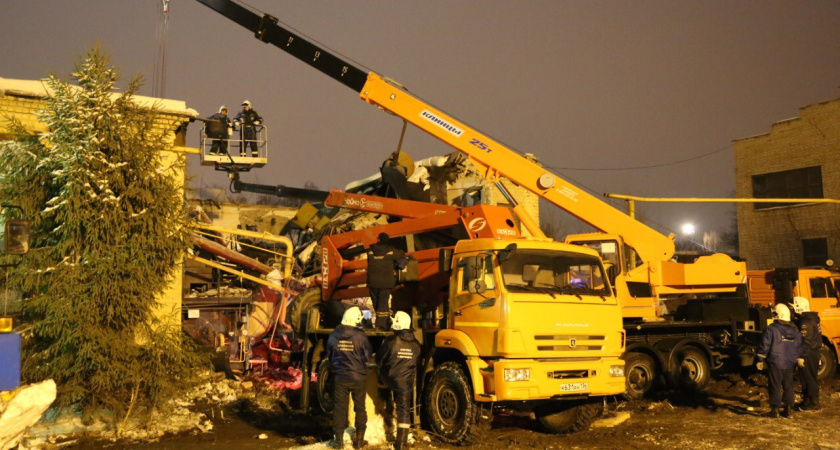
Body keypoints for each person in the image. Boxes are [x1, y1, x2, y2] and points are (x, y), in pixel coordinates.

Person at [327, 306, 372, 449]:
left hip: (340, 377)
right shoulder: (361, 336)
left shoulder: (333, 335)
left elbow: (329, 355)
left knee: (339, 408)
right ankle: (359, 441)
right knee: (360, 408)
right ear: (356, 320)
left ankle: (338, 441)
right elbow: (367, 356)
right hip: (358, 377)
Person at [376, 311, 421, 449]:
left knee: (381, 381)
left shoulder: (391, 341)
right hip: (405, 383)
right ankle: (401, 443)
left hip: (388, 379)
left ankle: (387, 403)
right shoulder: (416, 345)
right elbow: (416, 362)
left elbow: (379, 359)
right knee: (404, 409)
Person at [756, 303, 803, 418]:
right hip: (789, 363)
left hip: (775, 362)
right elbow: (798, 346)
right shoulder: (795, 330)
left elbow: (765, 345)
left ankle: (775, 410)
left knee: (775, 385)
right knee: (788, 386)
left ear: (778, 315)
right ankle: (788, 410)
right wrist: (798, 358)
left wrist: (760, 359)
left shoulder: (771, 329)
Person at [366, 233, 409, 330]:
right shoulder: (392, 251)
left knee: (376, 303)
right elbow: (403, 260)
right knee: (383, 303)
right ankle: (381, 325)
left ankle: (383, 321)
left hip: (372, 282)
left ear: (378, 239)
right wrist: (398, 267)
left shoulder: (370, 250)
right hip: (386, 282)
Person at [793, 296, 821, 411]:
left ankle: (813, 403)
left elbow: (806, 341)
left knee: (808, 378)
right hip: (813, 352)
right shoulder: (812, 319)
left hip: (808, 354)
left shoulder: (805, 322)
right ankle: (807, 401)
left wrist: (801, 356)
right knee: (807, 378)